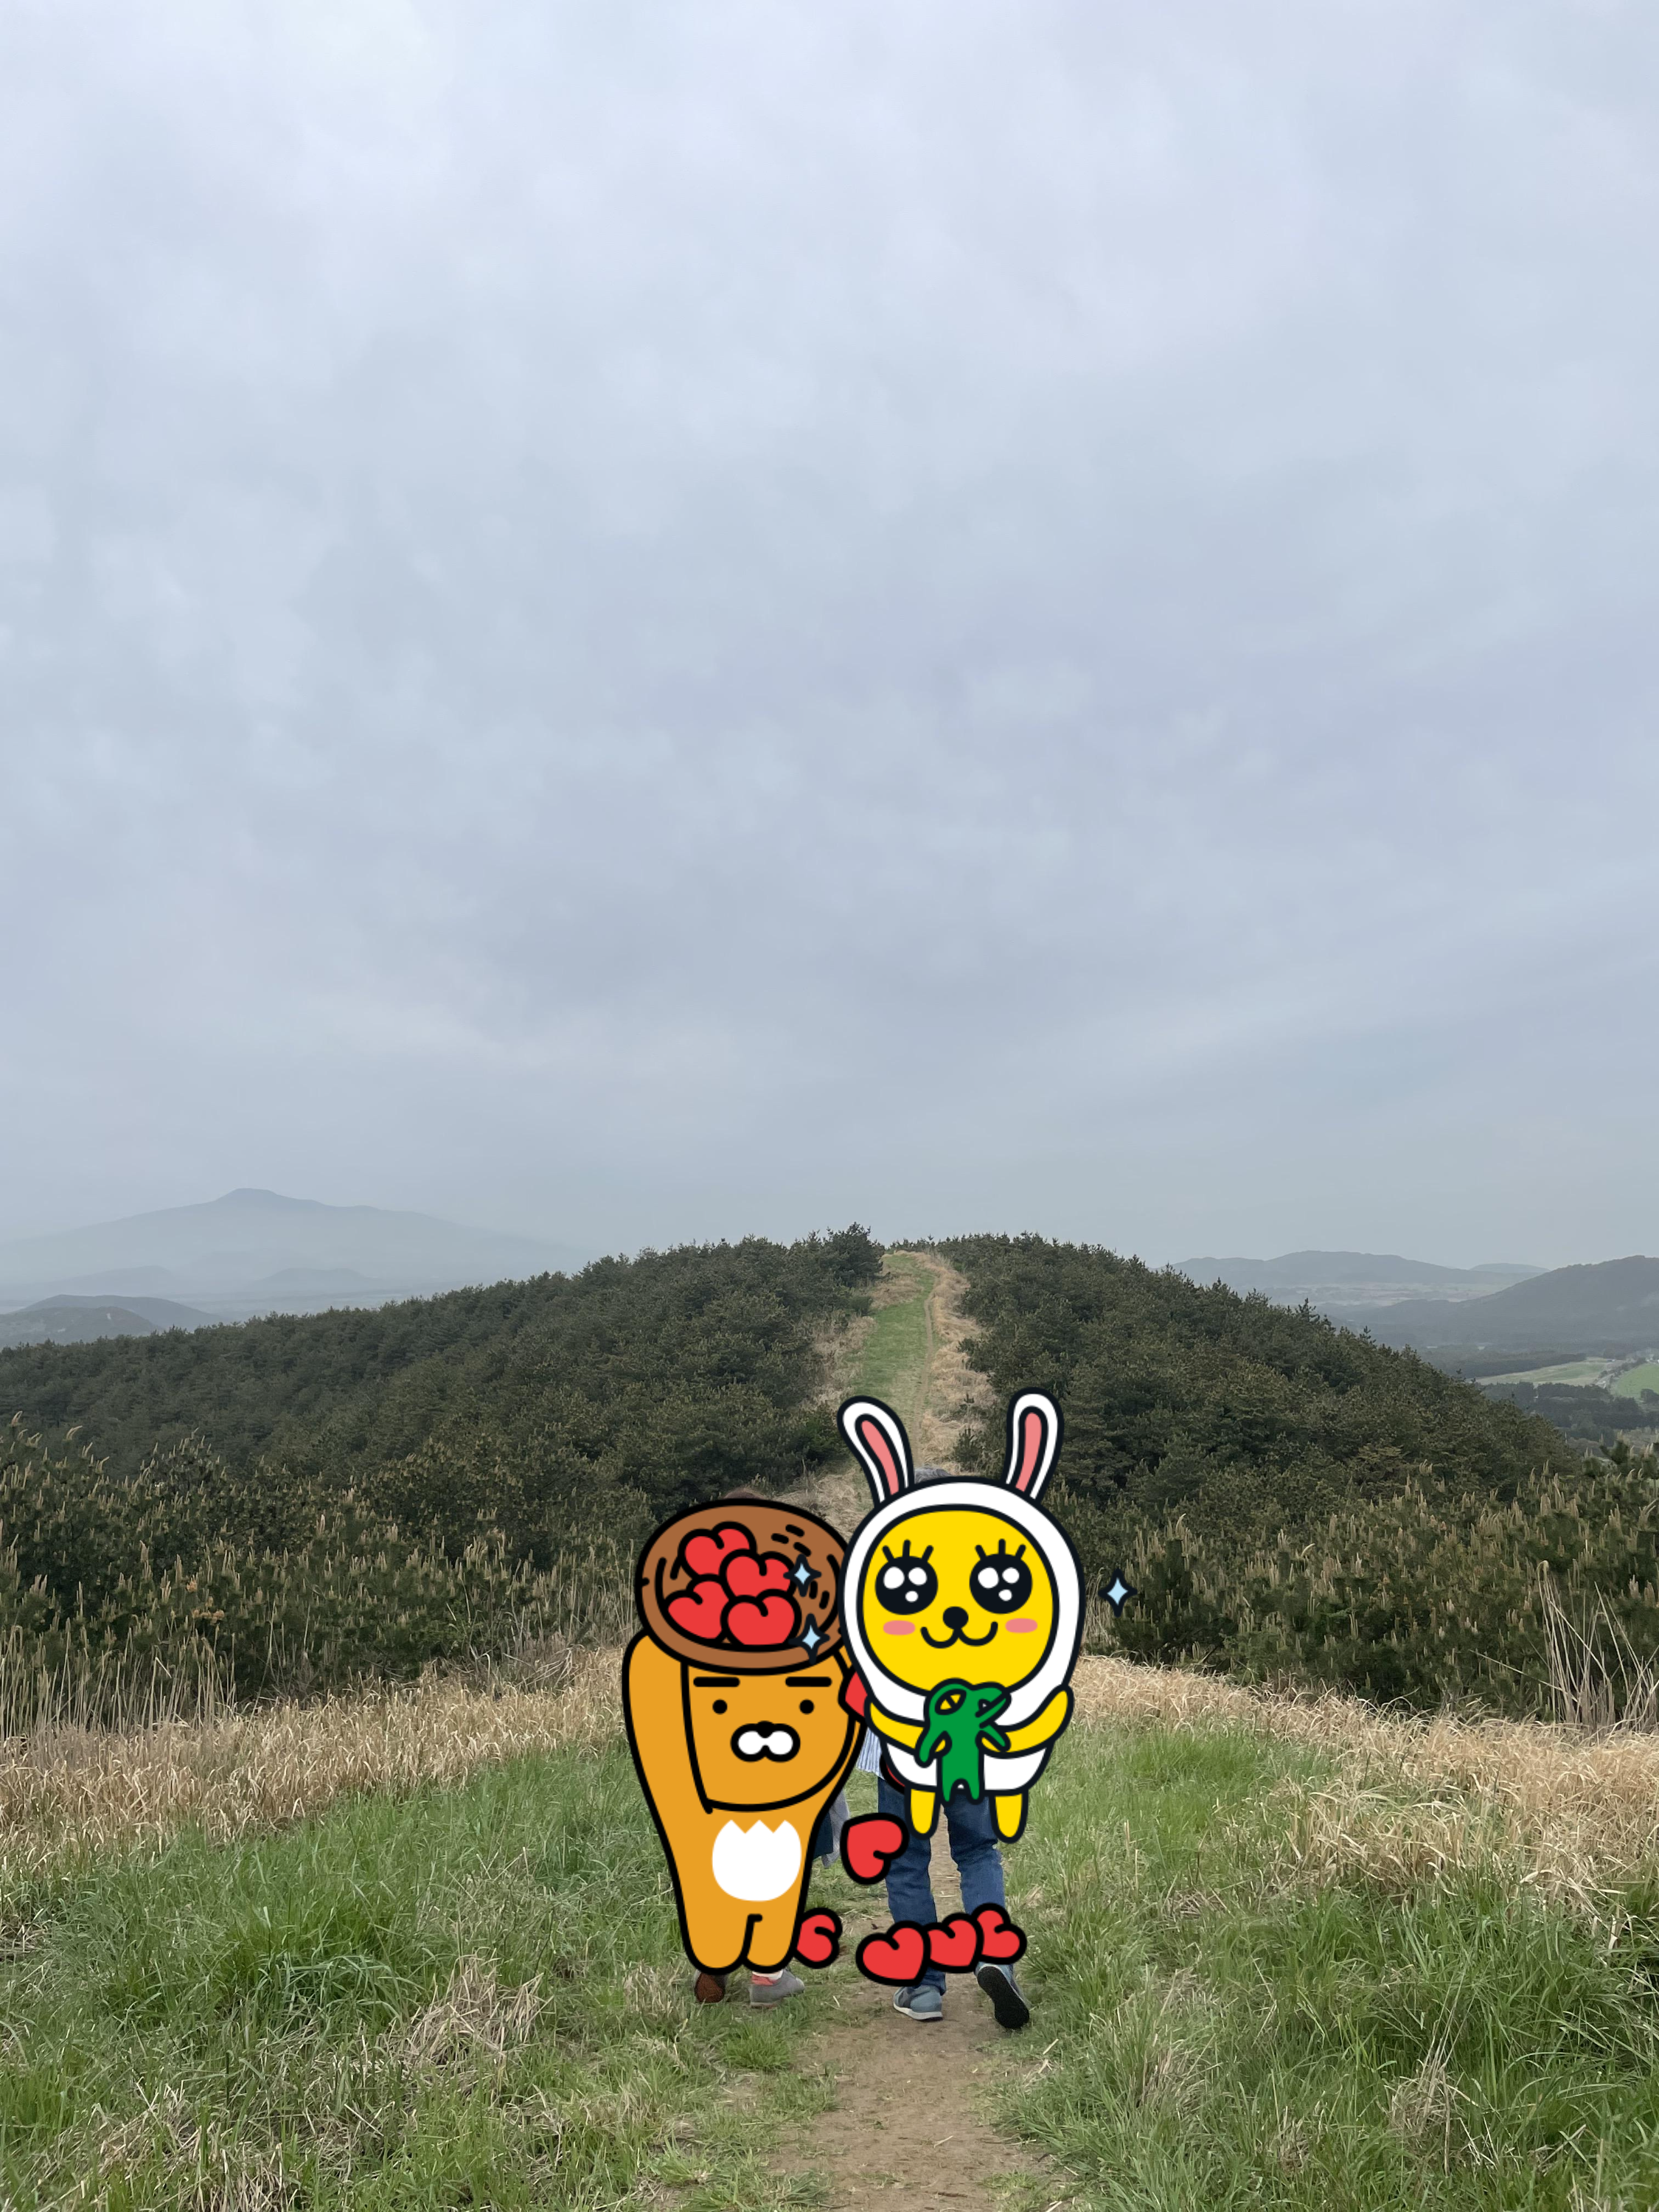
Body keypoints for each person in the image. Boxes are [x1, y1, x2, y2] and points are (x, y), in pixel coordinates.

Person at [877, 1463, 1030, 2031]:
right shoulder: (982, 1583)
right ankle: (997, 1958)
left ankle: (923, 1986)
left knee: (907, 1859)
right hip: (972, 1750)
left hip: (903, 1749)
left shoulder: (885, 1577)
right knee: (978, 1851)